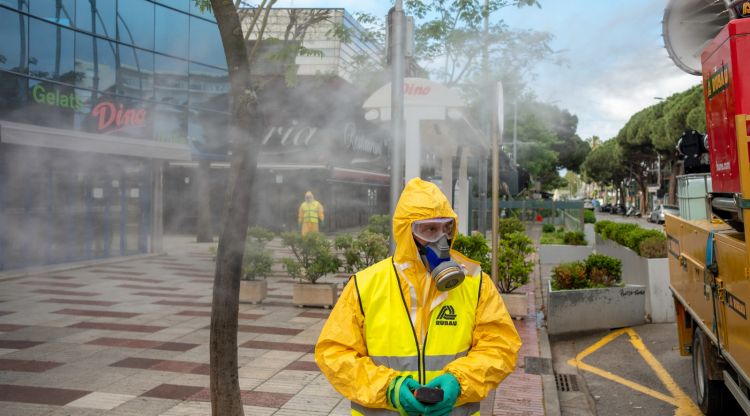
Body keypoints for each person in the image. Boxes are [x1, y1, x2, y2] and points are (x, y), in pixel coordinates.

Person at [315, 178, 521, 416]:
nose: (441, 241)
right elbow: (334, 353)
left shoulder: (476, 283)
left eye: (446, 228)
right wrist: (389, 388)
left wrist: (461, 381)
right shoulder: (365, 285)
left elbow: (500, 347)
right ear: (406, 232)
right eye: (429, 229)